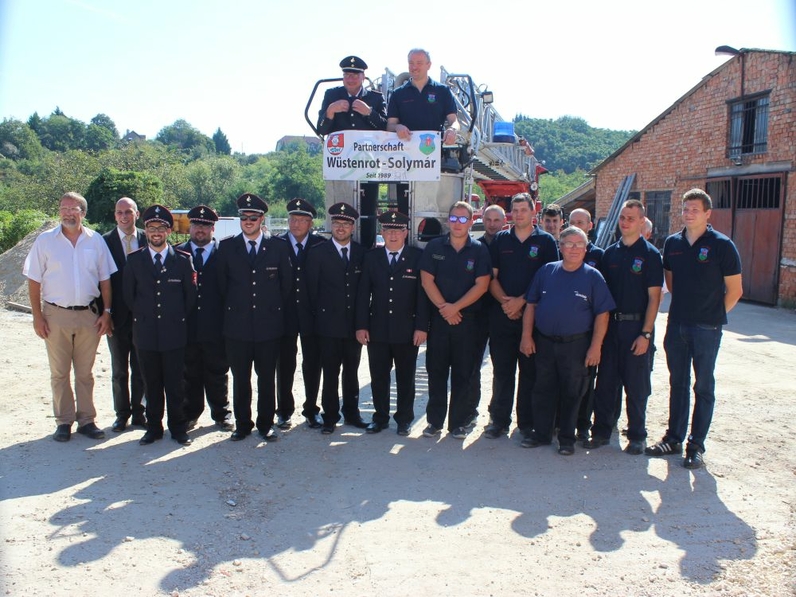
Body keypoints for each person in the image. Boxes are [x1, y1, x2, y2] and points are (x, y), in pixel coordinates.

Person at [646, 188, 742, 469]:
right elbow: (672, 284)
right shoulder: (673, 243)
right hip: (677, 324)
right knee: (678, 383)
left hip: (706, 328)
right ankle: (673, 438)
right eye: (685, 209)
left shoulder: (722, 245)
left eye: (695, 209)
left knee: (703, 386)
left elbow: (735, 290)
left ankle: (696, 445)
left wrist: (712, 316)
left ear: (707, 213)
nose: (688, 213)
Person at [23, 191, 116, 442]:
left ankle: (86, 420)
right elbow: (33, 279)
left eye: (72, 209)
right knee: (59, 372)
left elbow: (105, 279)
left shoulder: (95, 241)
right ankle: (63, 421)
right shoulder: (45, 241)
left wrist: (107, 313)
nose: (67, 213)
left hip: (88, 315)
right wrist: (37, 316)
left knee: (85, 373)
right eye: (63, 208)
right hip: (56, 315)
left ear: (83, 213)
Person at [519, 226, 615, 455]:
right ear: (560, 247)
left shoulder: (593, 277)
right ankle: (541, 435)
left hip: (577, 346)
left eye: (579, 244)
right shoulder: (546, 271)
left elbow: (603, 314)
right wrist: (526, 336)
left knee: (573, 392)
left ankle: (567, 439)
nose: (573, 249)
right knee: (543, 389)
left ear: (585, 249)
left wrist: (595, 347)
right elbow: (531, 305)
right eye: (568, 244)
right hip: (545, 343)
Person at [587, 200, 663, 455]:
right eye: (622, 217)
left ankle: (637, 435)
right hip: (611, 327)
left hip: (636, 328)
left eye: (631, 218)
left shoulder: (651, 255)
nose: (626, 222)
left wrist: (646, 333)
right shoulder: (611, 254)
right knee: (606, 382)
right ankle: (601, 432)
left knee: (636, 385)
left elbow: (655, 298)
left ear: (642, 221)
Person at [216, 193, 292, 442]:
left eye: (253, 217)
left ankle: (265, 424)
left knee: (267, 378)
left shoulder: (279, 247)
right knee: (241, 379)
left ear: (262, 218)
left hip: (269, 326)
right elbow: (221, 287)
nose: (248, 221)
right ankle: (242, 424)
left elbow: (286, 286)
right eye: (244, 217)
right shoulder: (227, 247)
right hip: (236, 327)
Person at [485, 194, 557, 441]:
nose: (518, 214)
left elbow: (549, 280)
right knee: (502, 372)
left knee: (530, 373)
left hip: (533, 319)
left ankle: (526, 423)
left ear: (532, 211)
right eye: (514, 210)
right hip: (502, 316)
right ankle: (498, 421)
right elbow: (491, 278)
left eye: (522, 210)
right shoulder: (500, 240)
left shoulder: (546, 242)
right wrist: (506, 302)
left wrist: (521, 301)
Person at [123, 205, 196, 446]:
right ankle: (153, 427)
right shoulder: (134, 261)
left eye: (161, 228)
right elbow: (129, 297)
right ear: (145, 231)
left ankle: (178, 427)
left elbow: (189, 297)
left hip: (174, 333)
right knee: (151, 384)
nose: (156, 232)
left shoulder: (183, 261)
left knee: (175, 384)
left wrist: (173, 318)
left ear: (168, 231)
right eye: (151, 228)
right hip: (145, 334)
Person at [419, 201, 491, 439]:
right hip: (440, 320)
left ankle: (458, 423)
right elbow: (427, 279)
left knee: (463, 373)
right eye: (453, 218)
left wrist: (455, 308)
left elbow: (482, 285)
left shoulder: (479, 250)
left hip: (467, 321)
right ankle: (434, 422)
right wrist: (444, 309)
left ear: (471, 222)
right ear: (447, 220)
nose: (457, 223)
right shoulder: (434, 246)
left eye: (463, 219)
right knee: (436, 372)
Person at [355, 211, 429, 435]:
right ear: (382, 232)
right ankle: (380, 417)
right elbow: (362, 294)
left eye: (398, 230)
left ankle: (404, 419)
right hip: (377, 329)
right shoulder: (371, 258)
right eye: (388, 230)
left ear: (406, 232)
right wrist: (361, 325)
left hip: (407, 330)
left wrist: (421, 327)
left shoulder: (417, 257)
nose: (393, 235)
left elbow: (422, 296)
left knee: (406, 377)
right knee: (378, 376)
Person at [306, 202, 367, 434]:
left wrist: (362, 323)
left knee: (352, 373)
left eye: (346, 224)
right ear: (331, 224)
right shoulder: (318, 253)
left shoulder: (362, 253)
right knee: (330, 373)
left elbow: (363, 293)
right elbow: (312, 291)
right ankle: (330, 417)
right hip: (327, 325)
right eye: (337, 223)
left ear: (353, 227)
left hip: (353, 326)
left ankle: (352, 414)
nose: (340, 228)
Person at [176, 205, 232, 432]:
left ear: (213, 228)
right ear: (190, 227)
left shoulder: (225, 254)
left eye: (205, 226)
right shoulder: (178, 254)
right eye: (196, 225)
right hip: (187, 326)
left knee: (218, 371)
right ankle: (191, 413)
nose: (200, 230)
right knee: (190, 373)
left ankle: (222, 412)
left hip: (216, 325)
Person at [276, 198, 326, 430]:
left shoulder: (320, 246)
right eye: (292, 219)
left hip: (312, 314)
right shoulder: (275, 244)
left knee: (312, 364)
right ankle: (284, 410)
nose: (296, 224)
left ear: (310, 223)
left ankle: (311, 409)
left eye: (301, 220)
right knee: (284, 363)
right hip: (284, 313)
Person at [103, 197, 147, 432]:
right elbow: (100, 281)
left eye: (128, 212)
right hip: (116, 317)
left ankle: (140, 413)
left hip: (143, 317)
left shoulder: (147, 237)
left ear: (136, 214)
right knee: (119, 369)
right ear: (115, 215)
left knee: (141, 367)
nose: (124, 216)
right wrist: (104, 313)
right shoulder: (104, 242)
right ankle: (122, 414)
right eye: (120, 212)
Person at [567, 207, 605, 441]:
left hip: (587, 329)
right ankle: (561, 423)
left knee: (585, 380)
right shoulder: (561, 252)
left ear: (590, 226)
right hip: (563, 330)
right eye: (573, 222)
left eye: (581, 222)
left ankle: (582, 424)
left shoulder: (600, 255)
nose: (577, 226)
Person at [387, 49, 459, 145]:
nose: (414, 67)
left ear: (429, 65)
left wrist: (452, 130)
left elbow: (454, 121)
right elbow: (390, 125)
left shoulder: (443, 91)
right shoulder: (398, 93)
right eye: (411, 63)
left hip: (434, 151)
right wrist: (397, 127)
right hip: (405, 152)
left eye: (419, 63)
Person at [317, 55, 387, 135]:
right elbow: (321, 131)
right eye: (346, 75)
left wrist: (369, 113)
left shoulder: (376, 98)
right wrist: (330, 111)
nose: (350, 79)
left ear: (363, 77)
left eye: (355, 75)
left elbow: (386, 129)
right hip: (339, 147)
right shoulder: (331, 95)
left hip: (367, 146)